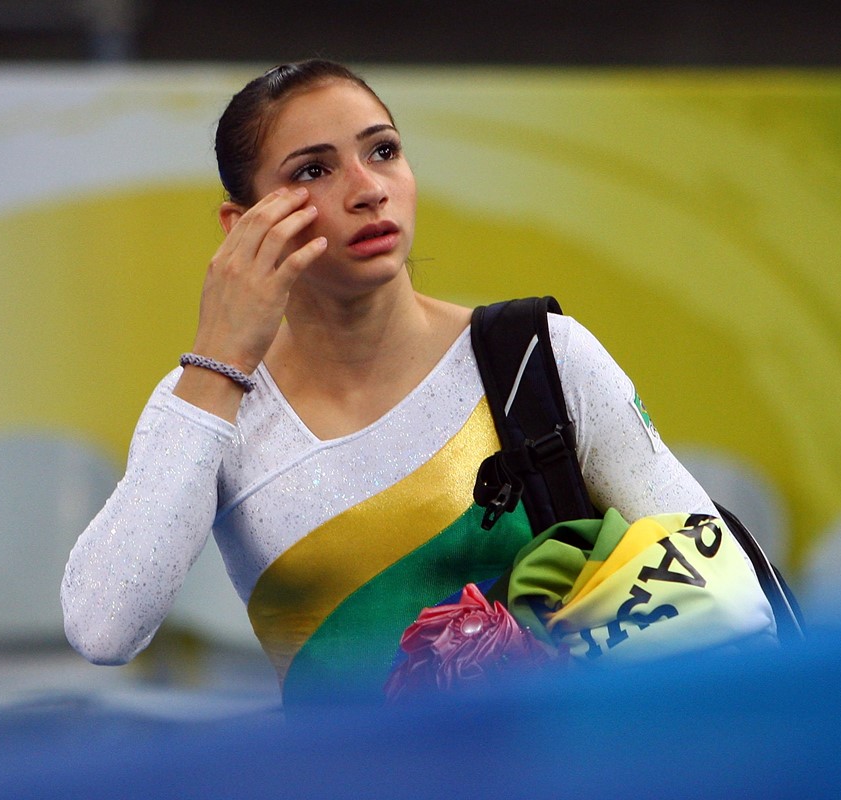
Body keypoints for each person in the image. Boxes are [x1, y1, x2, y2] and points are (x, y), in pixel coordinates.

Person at [61, 59, 776, 705]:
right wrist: (219, 354)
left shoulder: (539, 355)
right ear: (243, 223)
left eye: (383, 151)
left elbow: (730, 594)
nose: (368, 190)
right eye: (313, 171)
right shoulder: (205, 403)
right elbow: (104, 627)